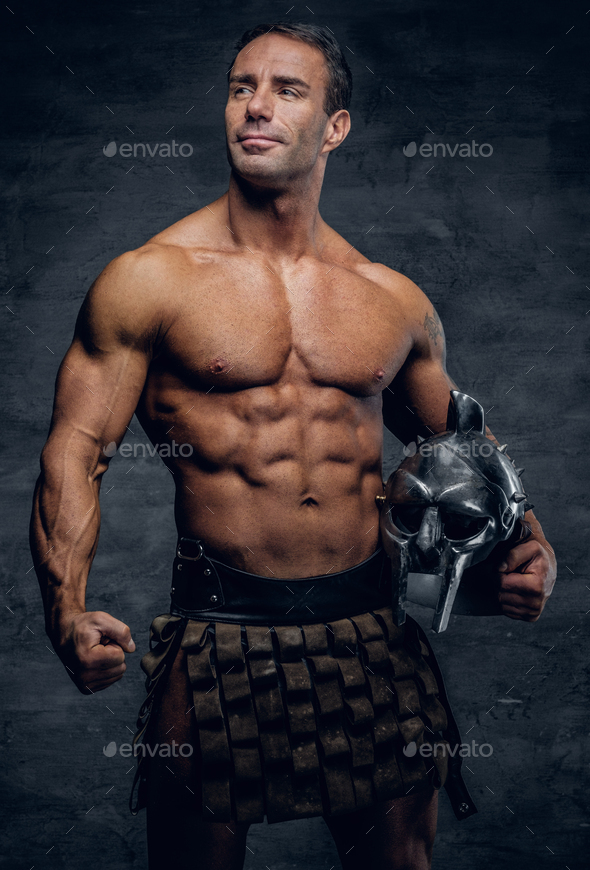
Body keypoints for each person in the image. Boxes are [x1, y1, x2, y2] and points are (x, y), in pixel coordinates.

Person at [30, 22, 557, 870]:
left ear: (336, 127)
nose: (256, 107)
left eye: (287, 89)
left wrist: (529, 543)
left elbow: (464, 445)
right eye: (242, 87)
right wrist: (65, 608)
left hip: (371, 634)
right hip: (219, 635)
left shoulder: (390, 300)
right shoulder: (151, 277)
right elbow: (78, 447)